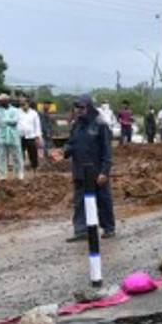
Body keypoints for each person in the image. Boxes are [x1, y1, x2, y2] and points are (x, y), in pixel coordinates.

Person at [64, 94, 115, 241]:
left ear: (90, 107)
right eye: (77, 107)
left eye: (81, 107)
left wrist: (104, 171)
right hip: (80, 171)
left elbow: (107, 150)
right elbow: (71, 143)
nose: (78, 110)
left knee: (103, 200)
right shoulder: (76, 125)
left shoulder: (100, 125)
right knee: (80, 202)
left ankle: (108, 228)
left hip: (97, 171)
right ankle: (81, 231)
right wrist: (66, 150)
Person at [0, 93, 24, 181]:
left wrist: (4, 121)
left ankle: (19, 175)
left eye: (1, 100)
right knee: (1, 157)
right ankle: (2, 176)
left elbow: (15, 121)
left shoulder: (15, 110)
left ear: (6, 101)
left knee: (17, 156)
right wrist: (7, 122)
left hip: (13, 136)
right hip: (2, 136)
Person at [17, 97, 43, 172]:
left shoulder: (34, 113)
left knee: (33, 153)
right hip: (20, 136)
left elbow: (37, 126)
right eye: (21, 105)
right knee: (20, 153)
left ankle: (34, 168)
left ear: (28, 104)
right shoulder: (17, 112)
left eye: (24, 104)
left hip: (31, 136)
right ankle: (21, 170)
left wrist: (38, 137)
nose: (22, 106)